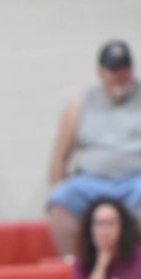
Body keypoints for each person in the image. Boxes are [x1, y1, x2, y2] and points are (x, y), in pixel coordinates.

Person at [47, 40, 141, 257]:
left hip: (135, 180)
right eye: (113, 69)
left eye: (124, 68)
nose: (120, 75)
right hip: (91, 181)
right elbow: (60, 155)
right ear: (100, 72)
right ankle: (73, 266)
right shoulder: (80, 103)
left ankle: (136, 268)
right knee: (60, 198)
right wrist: (55, 188)